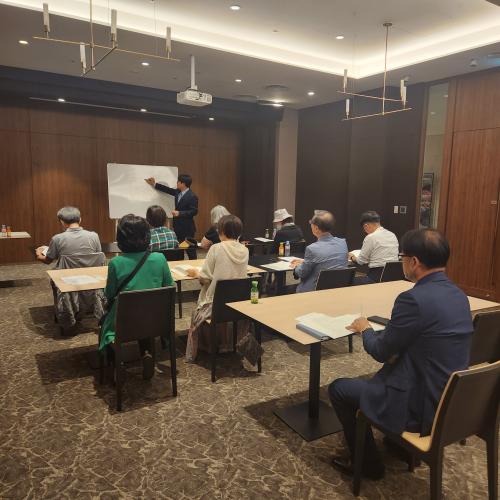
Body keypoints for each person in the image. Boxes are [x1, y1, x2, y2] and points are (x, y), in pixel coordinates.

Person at [328, 228, 473, 480]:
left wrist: (366, 329)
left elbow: (380, 351)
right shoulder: (459, 294)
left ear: (414, 262)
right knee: (386, 372)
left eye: (402, 256)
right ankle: (399, 447)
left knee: (339, 389)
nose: (401, 261)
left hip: (419, 404)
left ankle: (369, 465)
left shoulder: (412, 299)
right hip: (449, 397)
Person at [99, 214, 175, 380]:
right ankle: (147, 353)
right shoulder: (159, 258)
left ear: (121, 238)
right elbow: (171, 287)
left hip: (124, 321)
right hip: (155, 320)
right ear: (147, 235)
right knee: (144, 315)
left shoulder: (116, 263)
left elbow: (109, 294)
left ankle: (117, 362)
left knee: (108, 323)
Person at [185, 215, 259, 363]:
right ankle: (228, 344)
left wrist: (196, 274)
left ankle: (205, 348)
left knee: (198, 309)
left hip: (216, 305)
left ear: (222, 231)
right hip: (238, 304)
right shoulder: (244, 250)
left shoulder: (216, 248)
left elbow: (205, 278)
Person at [290, 211, 348, 293]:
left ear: (316, 228)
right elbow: (326, 261)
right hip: (337, 290)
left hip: (314, 292)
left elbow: (302, 273)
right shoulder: (342, 243)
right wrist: (304, 262)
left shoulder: (312, 249)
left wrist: (297, 266)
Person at [145, 173, 198, 258]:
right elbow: (167, 190)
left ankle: (195, 264)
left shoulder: (192, 196)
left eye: (178, 182)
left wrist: (180, 213)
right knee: (178, 250)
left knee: (190, 251)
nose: (177, 183)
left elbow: (194, 211)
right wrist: (154, 184)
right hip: (177, 227)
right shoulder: (178, 192)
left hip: (187, 228)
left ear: (183, 183)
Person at [35, 206, 101, 267]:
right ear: (80, 219)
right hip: (90, 273)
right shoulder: (94, 236)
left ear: (62, 222)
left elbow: (48, 261)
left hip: (66, 274)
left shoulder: (57, 238)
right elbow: (98, 255)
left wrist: (38, 254)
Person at [350, 211, 399, 284]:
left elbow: (361, 261)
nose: (365, 231)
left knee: (348, 281)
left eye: (364, 228)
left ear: (366, 225)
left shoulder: (371, 237)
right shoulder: (392, 235)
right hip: (394, 276)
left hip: (376, 277)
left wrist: (352, 257)